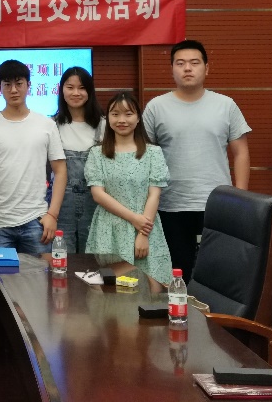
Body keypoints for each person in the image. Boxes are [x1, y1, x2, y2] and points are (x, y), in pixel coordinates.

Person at [142, 39, 251, 283]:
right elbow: (144, 156)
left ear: (206, 68)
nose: (187, 68)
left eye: (194, 63)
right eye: (180, 63)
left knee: (216, 273)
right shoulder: (156, 107)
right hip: (170, 204)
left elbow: (241, 153)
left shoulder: (226, 105)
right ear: (172, 69)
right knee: (177, 272)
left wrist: (241, 199)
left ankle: (211, 310)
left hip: (217, 204)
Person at [0, 60, 66, 253]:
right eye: (7, 84)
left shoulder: (46, 125)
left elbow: (60, 171)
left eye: (19, 83)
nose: (14, 90)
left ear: (28, 85)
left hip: (36, 220)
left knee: (40, 273)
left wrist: (52, 215)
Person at [85, 92, 173, 293]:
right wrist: (134, 219)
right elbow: (98, 194)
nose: (122, 120)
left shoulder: (153, 153)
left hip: (146, 227)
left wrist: (142, 233)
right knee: (109, 292)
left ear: (138, 117)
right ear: (108, 118)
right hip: (109, 229)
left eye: (128, 114)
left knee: (152, 291)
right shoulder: (97, 153)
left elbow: (154, 195)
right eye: (115, 114)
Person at [52, 66, 106, 254]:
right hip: (61, 204)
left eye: (82, 88)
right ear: (62, 90)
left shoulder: (104, 125)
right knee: (62, 257)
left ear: (90, 91)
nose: (76, 93)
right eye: (70, 87)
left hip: (95, 202)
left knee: (92, 259)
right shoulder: (52, 125)